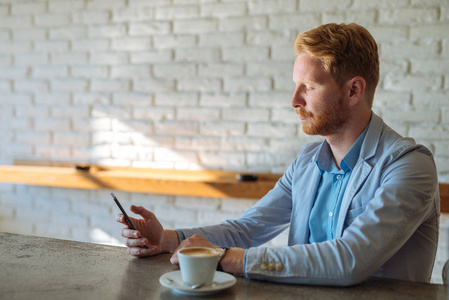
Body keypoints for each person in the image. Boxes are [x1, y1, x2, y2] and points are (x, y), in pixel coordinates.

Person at [116, 23, 439, 286]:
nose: (294, 100)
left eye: (309, 87)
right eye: (295, 85)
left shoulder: (409, 165)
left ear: (354, 90)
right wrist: (167, 238)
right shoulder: (307, 161)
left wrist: (230, 258)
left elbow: (350, 260)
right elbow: (248, 229)